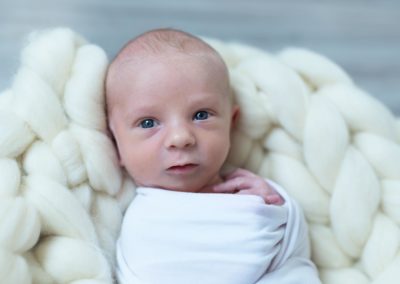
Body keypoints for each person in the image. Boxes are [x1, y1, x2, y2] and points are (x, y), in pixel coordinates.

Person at [106, 28, 321, 284]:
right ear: (115, 143)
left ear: (231, 123)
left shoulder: (255, 197)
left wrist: (276, 207)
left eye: (201, 115)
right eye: (148, 122)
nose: (180, 138)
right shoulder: (144, 222)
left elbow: (293, 258)